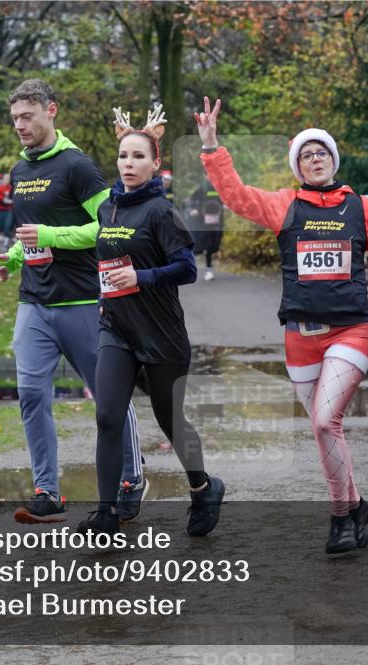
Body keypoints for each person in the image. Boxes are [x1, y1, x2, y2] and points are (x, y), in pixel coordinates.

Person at [197, 96, 368, 552]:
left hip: (351, 331)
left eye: (322, 152)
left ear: (333, 159)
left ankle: (340, 517)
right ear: (298, 167)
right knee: (325, 430)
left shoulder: (361, 207)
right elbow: (237, 196)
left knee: (327, 421)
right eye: (306, 155)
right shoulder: (285, 205)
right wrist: (212, 148)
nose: (316, 158)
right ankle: (357, 504)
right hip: (299, 337)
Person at [0, 79, 145, 524]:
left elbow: (108, 227)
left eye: (27, 117)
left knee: (108, 398)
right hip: (33, 303)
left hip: (81, 302)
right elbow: (30, 233)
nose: (20, 125)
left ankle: (132, 477)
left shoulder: (77, 166)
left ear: (50, 111)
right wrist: (13, 258)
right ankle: (47, 491)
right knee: (31, 395)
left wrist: (52, 236)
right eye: (15, 118)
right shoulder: (20, 172)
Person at [75, 104, 225, 538]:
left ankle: (202, 487)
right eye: (124, 156)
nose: (129, 164)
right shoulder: (108, 210)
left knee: (170, 420)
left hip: (160, 334)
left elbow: (186, 269)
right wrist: (106, 294)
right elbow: (105, 261)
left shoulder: (162, 212)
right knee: (107, 416)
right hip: (117, 329)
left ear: (155, 163)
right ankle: (106, 512)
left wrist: (141, 276)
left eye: (139, 156)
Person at [188, 177, 224, 282]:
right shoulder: (202, 189)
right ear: (205, 176)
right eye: (208, 174)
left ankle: (209, 251)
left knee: (216, 244)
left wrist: (227, 205)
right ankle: (209, 270)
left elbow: (225, 199)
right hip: (205, 222)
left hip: (218, 220)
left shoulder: (219, 187)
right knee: (209, 246)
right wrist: (194, 209)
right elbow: (192, 199)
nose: (210, 176)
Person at [0, 173, 14, 249]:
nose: (7, 180)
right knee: (0, 225)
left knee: (7, 225)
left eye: (8, 179)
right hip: (0, 209)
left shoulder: (12, 188)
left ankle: (6, 243)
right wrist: (3, 198)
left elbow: (15, 197)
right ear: (2, 179)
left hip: (9, 209)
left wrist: (11, 200)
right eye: (5, 178)